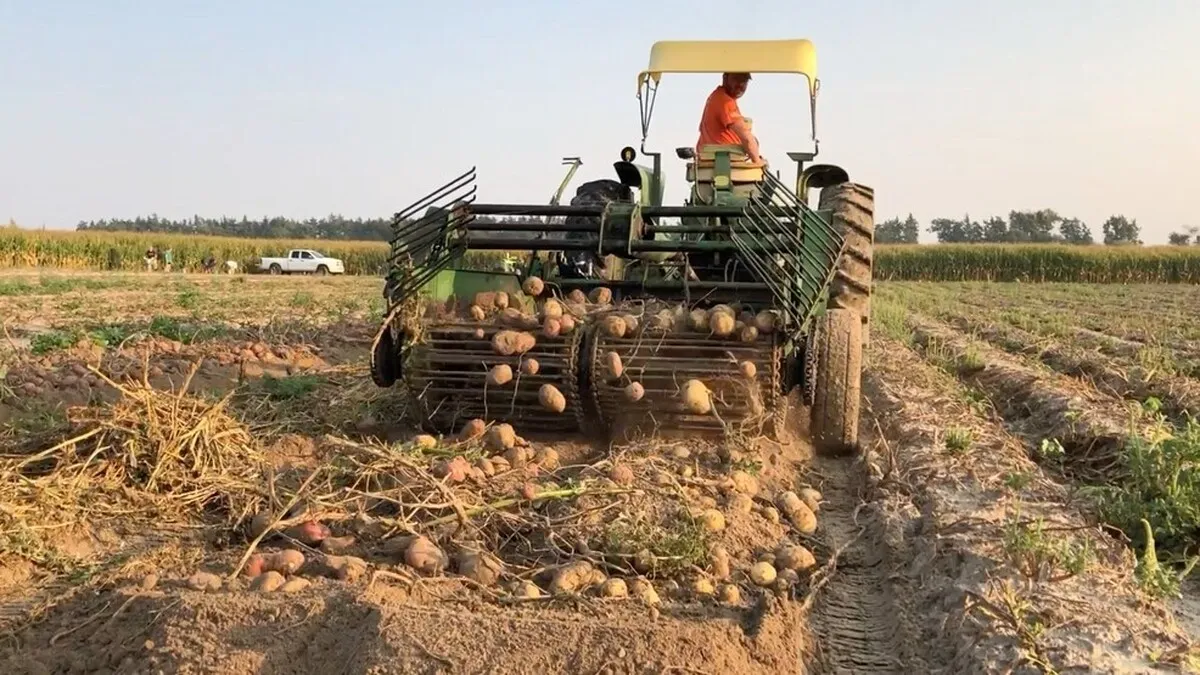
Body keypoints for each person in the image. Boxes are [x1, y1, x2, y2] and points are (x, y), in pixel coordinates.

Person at [696, 72, 763, 165]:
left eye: (744, 81)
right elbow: (747, 139)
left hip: (718, 162)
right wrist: (758, 162)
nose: (740, 85)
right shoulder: (725, 102)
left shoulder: (718, 97)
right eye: (737, 79)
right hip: (723, 165)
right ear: (725, 78)